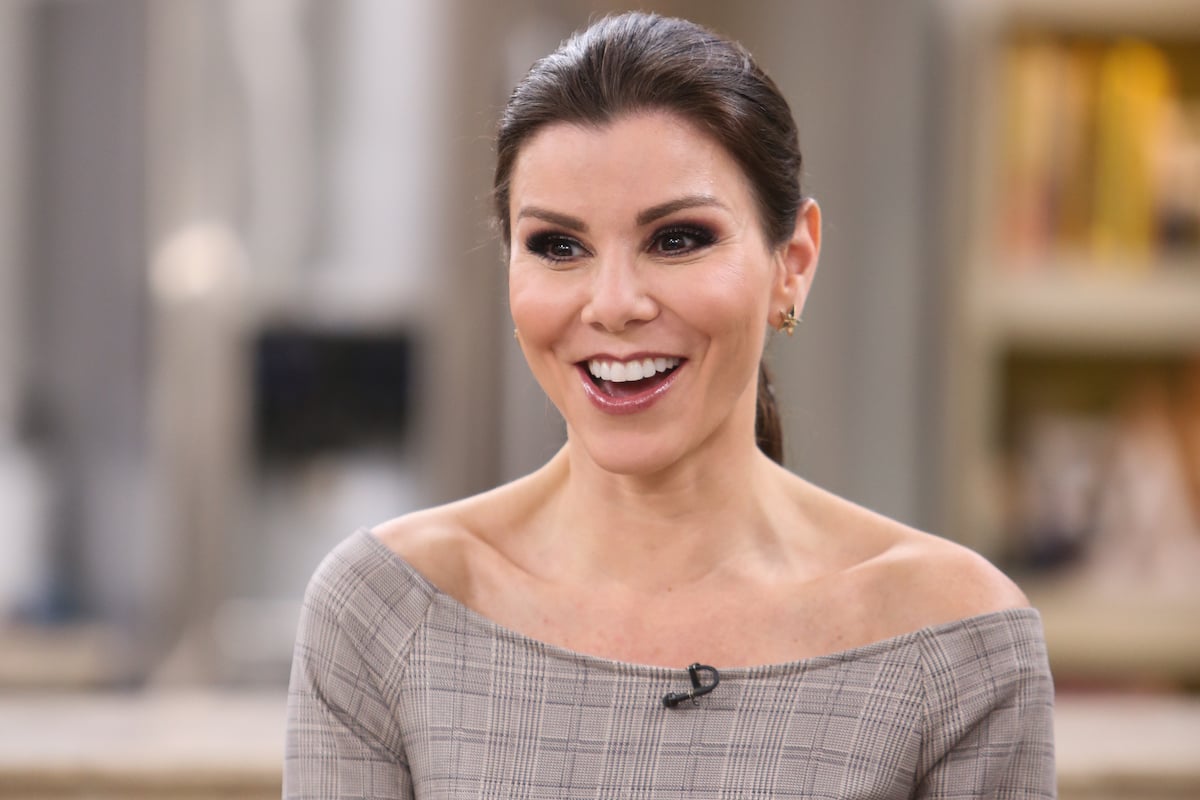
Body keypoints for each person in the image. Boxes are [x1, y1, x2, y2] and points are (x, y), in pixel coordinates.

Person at [285, 11, 1055, 799]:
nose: (614, 304)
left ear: (792, 263)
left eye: (678, 239)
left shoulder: (954, 639)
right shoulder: (386, 611)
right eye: (558, 246)